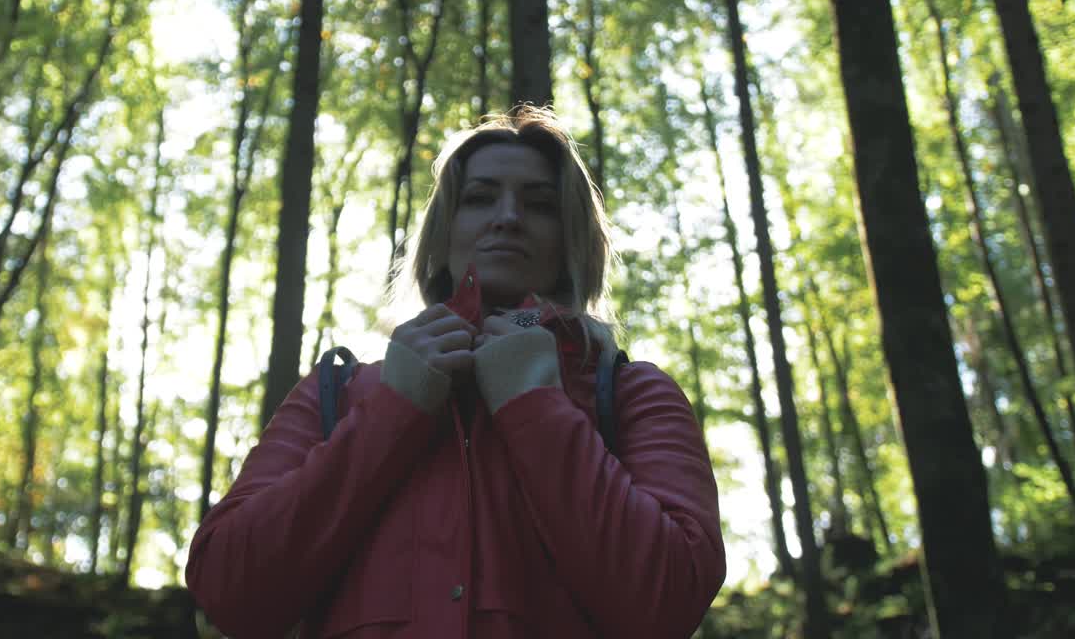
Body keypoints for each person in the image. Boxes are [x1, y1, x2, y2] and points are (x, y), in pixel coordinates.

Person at [186, 107, 725, 638]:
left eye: (540, 205)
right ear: (443, 237)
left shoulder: (634, 395)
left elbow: (668, 602)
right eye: (479, 198)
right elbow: (231, 594)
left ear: (572, 243)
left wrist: (535, 406)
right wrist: (392, 410)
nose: (508, 217)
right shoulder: (339, 393)